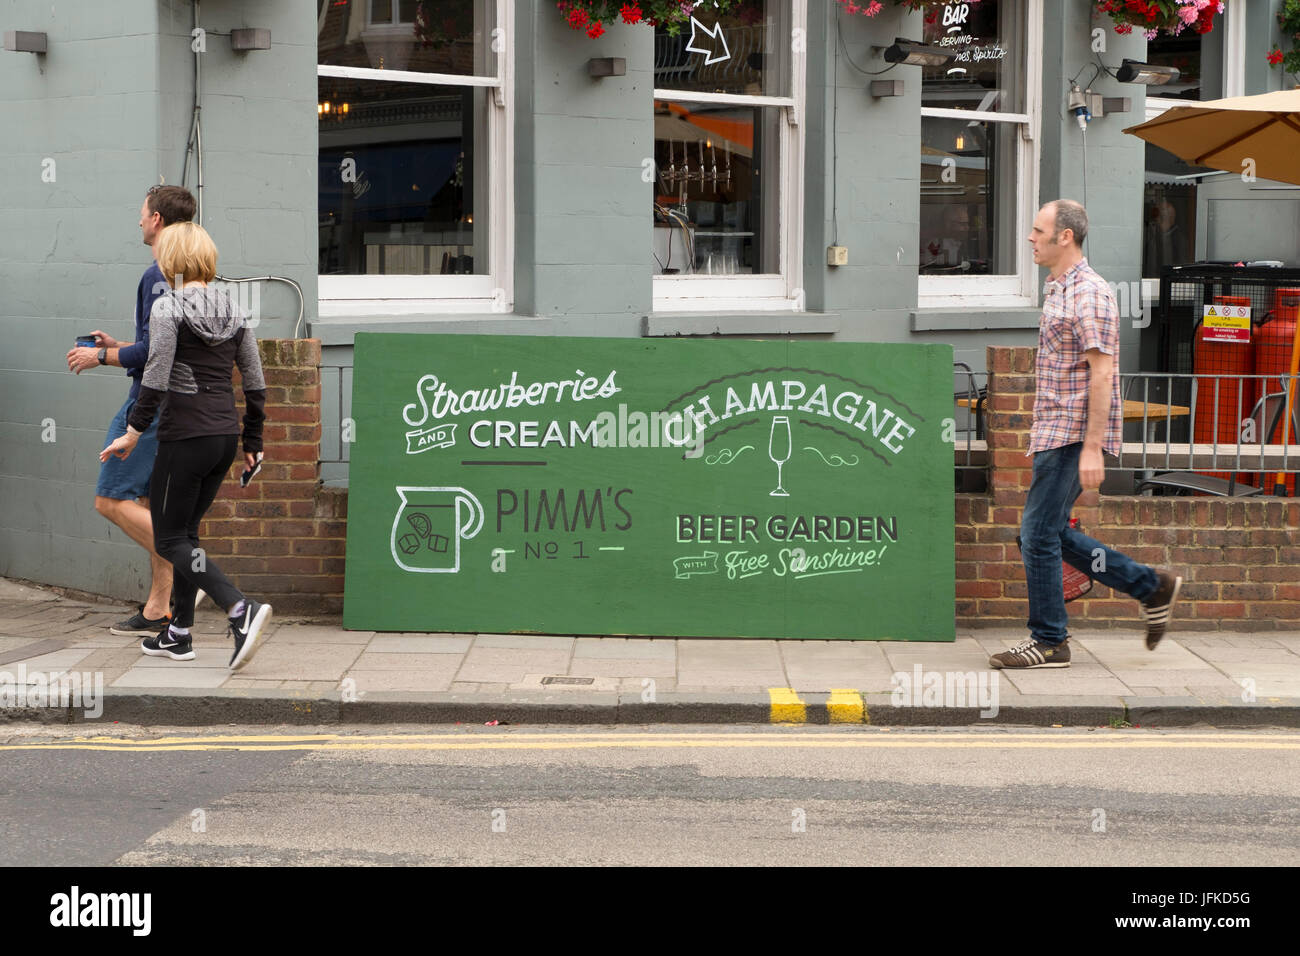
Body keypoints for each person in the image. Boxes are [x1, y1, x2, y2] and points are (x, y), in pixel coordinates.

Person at [990, 200, 1182, 670]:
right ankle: (1149, 586)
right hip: (1053, 428)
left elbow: (1103, 374)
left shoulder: (1089, 294)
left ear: (1065, 237)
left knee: (1036, 535)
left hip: (1072, 433)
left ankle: (1050, 641)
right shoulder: (1058, 287)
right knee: (1047, 532)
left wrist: (1092, 446)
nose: (1030, 238)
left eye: (1039, 231)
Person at [99, 221, 272, 671]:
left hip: (185, 436)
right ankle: (178, 634)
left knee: (171, 535)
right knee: (186, 533)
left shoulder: (169, 308)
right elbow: (255, 383)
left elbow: (155, 377)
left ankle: (240, 609)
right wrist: (253, 441)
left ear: (171, 258)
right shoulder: (235, 311)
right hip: (223, 438)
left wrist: (133, 432)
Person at [68, 185, 197, 636]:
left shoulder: (154, 273)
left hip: (149, 403)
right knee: (146, 502)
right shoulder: (192, 273)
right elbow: (165, 347)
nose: (139, 221)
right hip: (182, 404)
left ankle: (194, 573)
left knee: (110, 499)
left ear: (158, 220)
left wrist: (99, 357)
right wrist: (121, 346)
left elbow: (154, 355)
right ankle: (159, 608)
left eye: (142, 214)